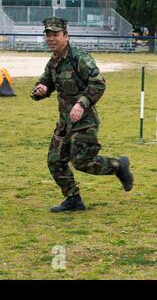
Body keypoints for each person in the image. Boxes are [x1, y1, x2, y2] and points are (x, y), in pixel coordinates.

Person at [31, 17, 134, 213]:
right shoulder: (53, 61)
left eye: (55, 34)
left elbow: (98, 83)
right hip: (65, 123)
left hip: (84, 122)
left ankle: (118, 166)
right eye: (48, 35)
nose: (51, 39)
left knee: (82, 162)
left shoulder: (80, 58)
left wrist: (81, 103)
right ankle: (73, 200)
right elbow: (45, 82)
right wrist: (41, 88)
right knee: (55, 161)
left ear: (66, 36)